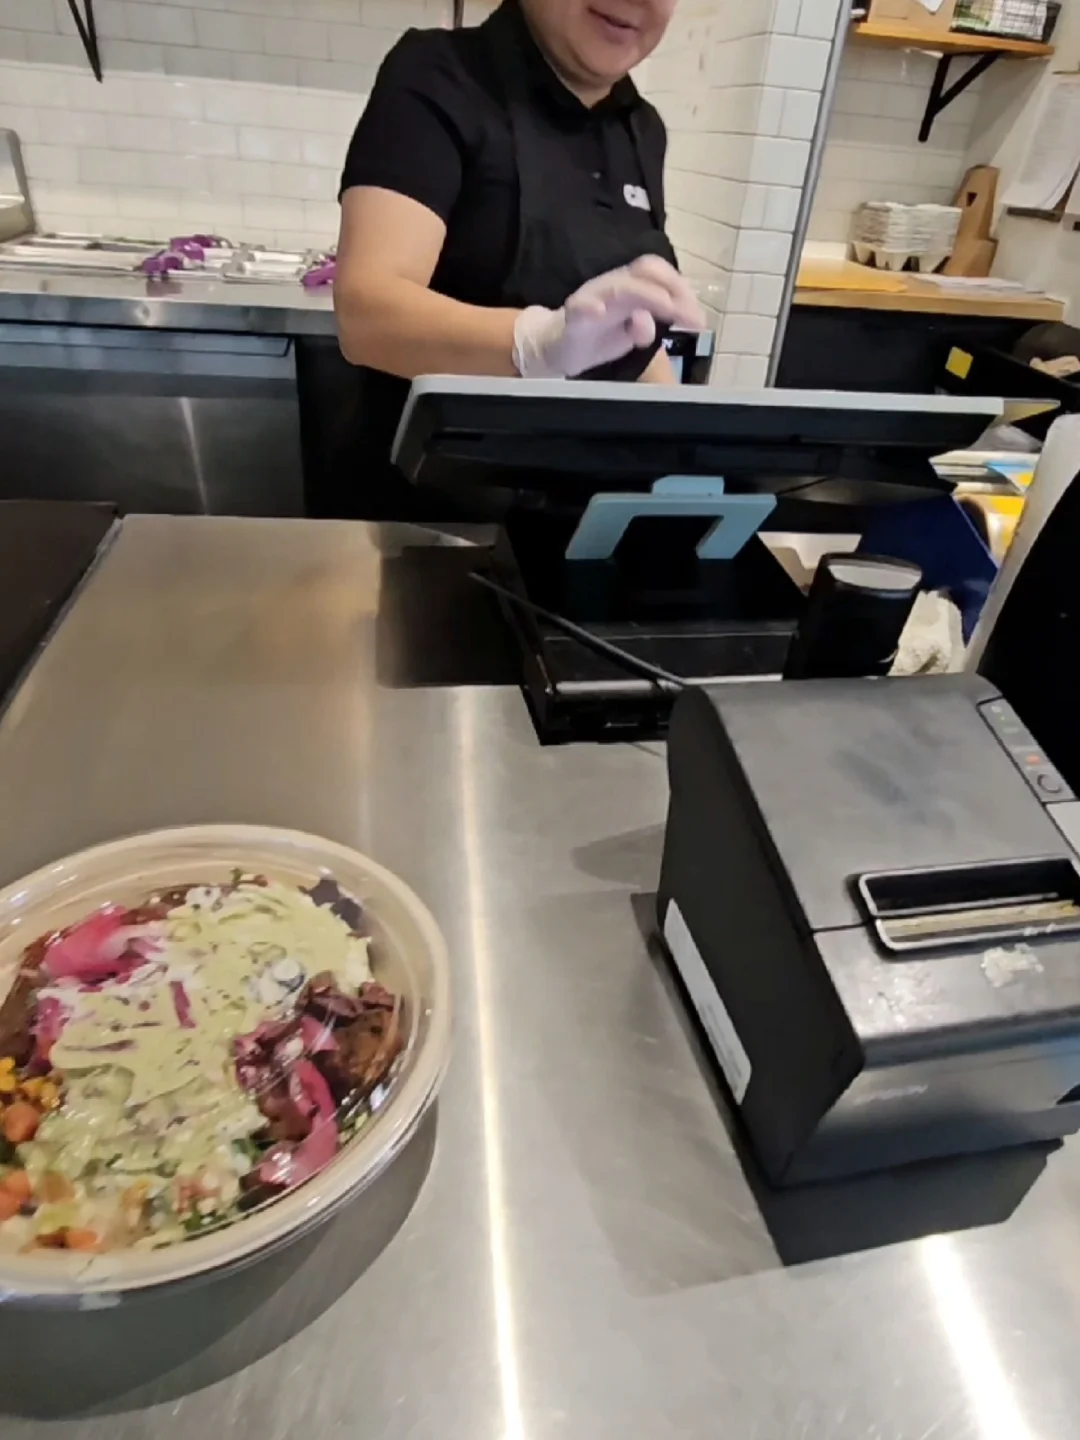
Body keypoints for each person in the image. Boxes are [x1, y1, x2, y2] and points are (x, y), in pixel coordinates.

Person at [329, 0, 703, 518]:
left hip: (579, 527)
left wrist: (691, 457)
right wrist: (539, 346)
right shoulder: (439, 74)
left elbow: (627, 335)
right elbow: (366, 314)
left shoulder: (641, 129)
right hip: (430, 525)